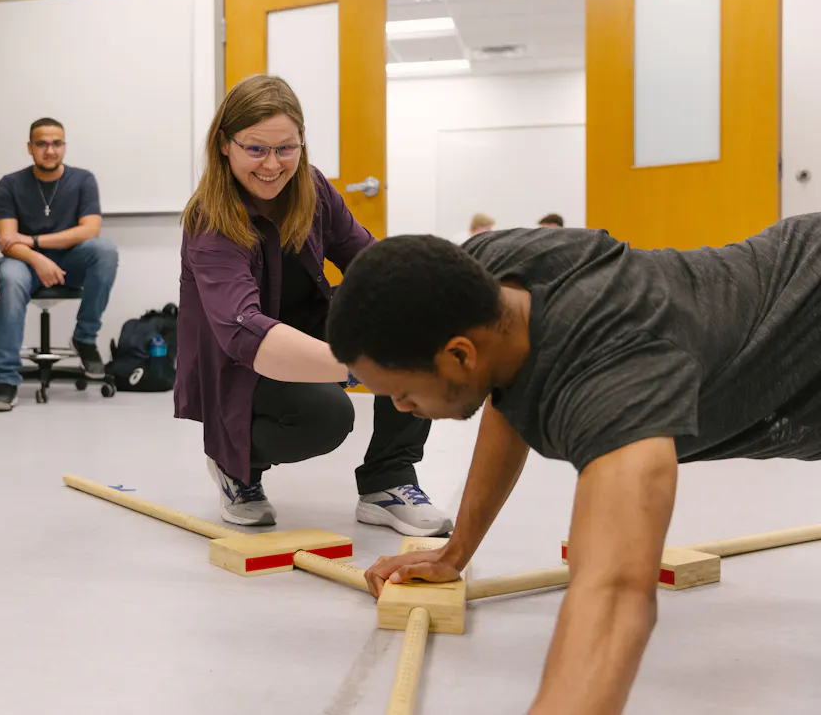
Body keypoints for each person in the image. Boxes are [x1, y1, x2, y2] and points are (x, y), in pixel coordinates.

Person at [326, 219, 821, 714]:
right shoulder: (488, 283)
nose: (402, 408)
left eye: (402, 393)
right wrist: (456, 551)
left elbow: (613, 594)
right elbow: (505, 386)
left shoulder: (614, 386)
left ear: (459, 354)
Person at [175, 74, 451, 535]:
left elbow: (370, 261)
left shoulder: (313, 188)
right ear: (225, 144)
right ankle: (235, 465)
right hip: (240, 361)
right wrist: (359, 368)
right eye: (256, 149)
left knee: (413, 314)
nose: (272, 165)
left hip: (306, 331)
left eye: (286, 148)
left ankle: (389, 480)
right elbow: (244, 331)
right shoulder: (211, 219)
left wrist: (435, 294)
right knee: (327, 416)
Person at [0, 118, 118, 411]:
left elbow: (89, 231)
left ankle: (84, 338)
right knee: (9, 277)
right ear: (30, 147)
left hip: (70, 262)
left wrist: (34, 242)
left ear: (64, 146)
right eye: (42, 143)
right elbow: (7, 240)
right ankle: (5, 380)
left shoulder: (83, 180)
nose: (50, 150)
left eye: (56, 143)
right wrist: (37, 259)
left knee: (104, 250)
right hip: (25, 264)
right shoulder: (9, 184)